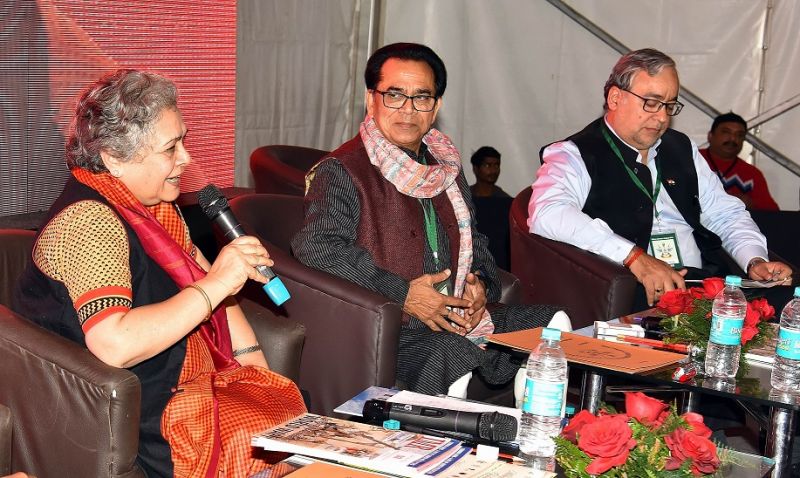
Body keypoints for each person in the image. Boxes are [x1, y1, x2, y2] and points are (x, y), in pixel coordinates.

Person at [13, 69, 306, 477]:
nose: (186, 158)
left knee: (284, 417)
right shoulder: (88, 222)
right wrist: (218, 281)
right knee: (267, 443)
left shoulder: (156, 208)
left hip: (177, 381)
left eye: (183, 140)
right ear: (114, 159)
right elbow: (115, 344)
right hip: (134, 401)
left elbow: (220, 293)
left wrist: (252, 368)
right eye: (171, 147)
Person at [292, 43, 562, 398]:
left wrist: (479, 284)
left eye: (421, 97)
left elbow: (475, 241)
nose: (408, 110)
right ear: (370, 99)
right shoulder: (343, 169)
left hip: (458, 316)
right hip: (392, 325)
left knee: (552, 326)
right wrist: (404, 295)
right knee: (452, 354)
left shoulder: (446, 167)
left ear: (436, 107)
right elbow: (317, 246)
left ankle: (527, 436)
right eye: (394, 95)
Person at [529, 48, 791, 310]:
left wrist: (755, 260)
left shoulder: (681, 148)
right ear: (615, 98)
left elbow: (725, 213)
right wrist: (633, 257)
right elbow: (548, 213)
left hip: (704, 286)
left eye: (669, 105)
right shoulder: (574, 154)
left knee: (786, 302)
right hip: (630, 292)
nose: (663, 117)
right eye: (651, 103)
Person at [700, 112, 779, 211]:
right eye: (726, 132)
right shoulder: (690, 159)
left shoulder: (752, 174)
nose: (733, 139)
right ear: (710, 136)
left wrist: (751, 204)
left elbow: (773, 213)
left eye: (739, 135)